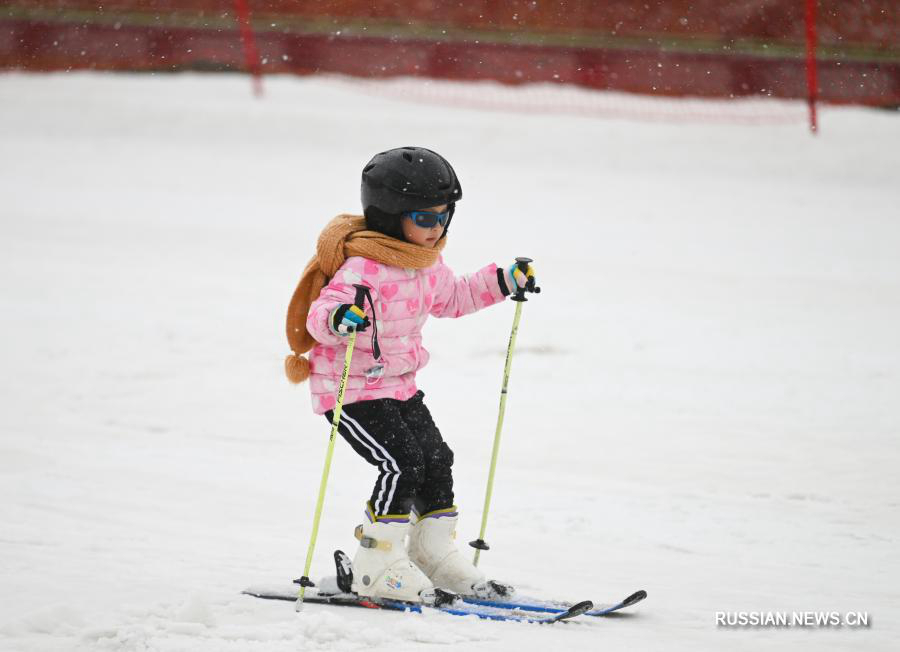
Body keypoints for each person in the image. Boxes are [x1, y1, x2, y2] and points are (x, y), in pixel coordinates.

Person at [284, 146, 536, 603]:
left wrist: (502, 281)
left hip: (398, 387)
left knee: (437, 459)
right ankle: (375, 562)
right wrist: (340, 318)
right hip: (350, 392)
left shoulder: (426, 264)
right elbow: (320, 314)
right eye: (424, 218)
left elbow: (454, 298)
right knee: (401, 465)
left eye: (444, 217)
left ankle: (431, 553)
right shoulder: (362, 267)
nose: (436, 228)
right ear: (390, 216)